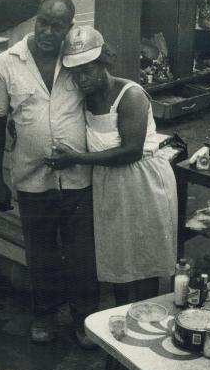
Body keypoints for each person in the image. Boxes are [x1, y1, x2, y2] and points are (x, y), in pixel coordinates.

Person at [0, 0, 99, 348]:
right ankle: (44, 314)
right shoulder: (6, 64)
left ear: (69, 28)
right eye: (42, 22)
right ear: (35, 20)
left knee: (81, 252)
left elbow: (104, 90)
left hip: (78, 176)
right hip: (31, 177)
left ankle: (83, 319)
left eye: (57, 26)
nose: (47, 31)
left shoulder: (79, 59)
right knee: (41, 251)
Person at [46, 26, 178, 305]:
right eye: (76, 72)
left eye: (89, 70)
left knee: (144, 257)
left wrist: (76, 158)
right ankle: (120, 317)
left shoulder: (130, 95)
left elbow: (130, 151)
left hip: (142, 182)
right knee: (119, 257)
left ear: (104, 62)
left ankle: (145, 315)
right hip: (110, 184)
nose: (82, 79)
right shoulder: (85, 97)